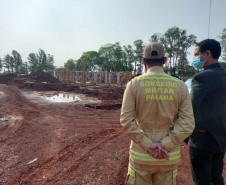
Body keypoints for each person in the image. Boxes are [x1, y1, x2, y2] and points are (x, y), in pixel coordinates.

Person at [120, 42, 195, 185]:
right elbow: (187, 122)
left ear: (143, 61)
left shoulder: (134, 84)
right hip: (168, 157)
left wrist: (148, 144)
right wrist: (165, 145)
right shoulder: (180, 85)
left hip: (141, 156)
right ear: (165, 61)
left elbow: (126, 121)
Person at [188, 39, 226, 185]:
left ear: (207, 54)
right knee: (216, 178)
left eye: (197, 54)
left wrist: (188, 137)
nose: (195, 58)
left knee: (202, 181)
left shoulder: (201, 77)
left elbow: (191, 108)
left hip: (202, 142)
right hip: (221, 140)